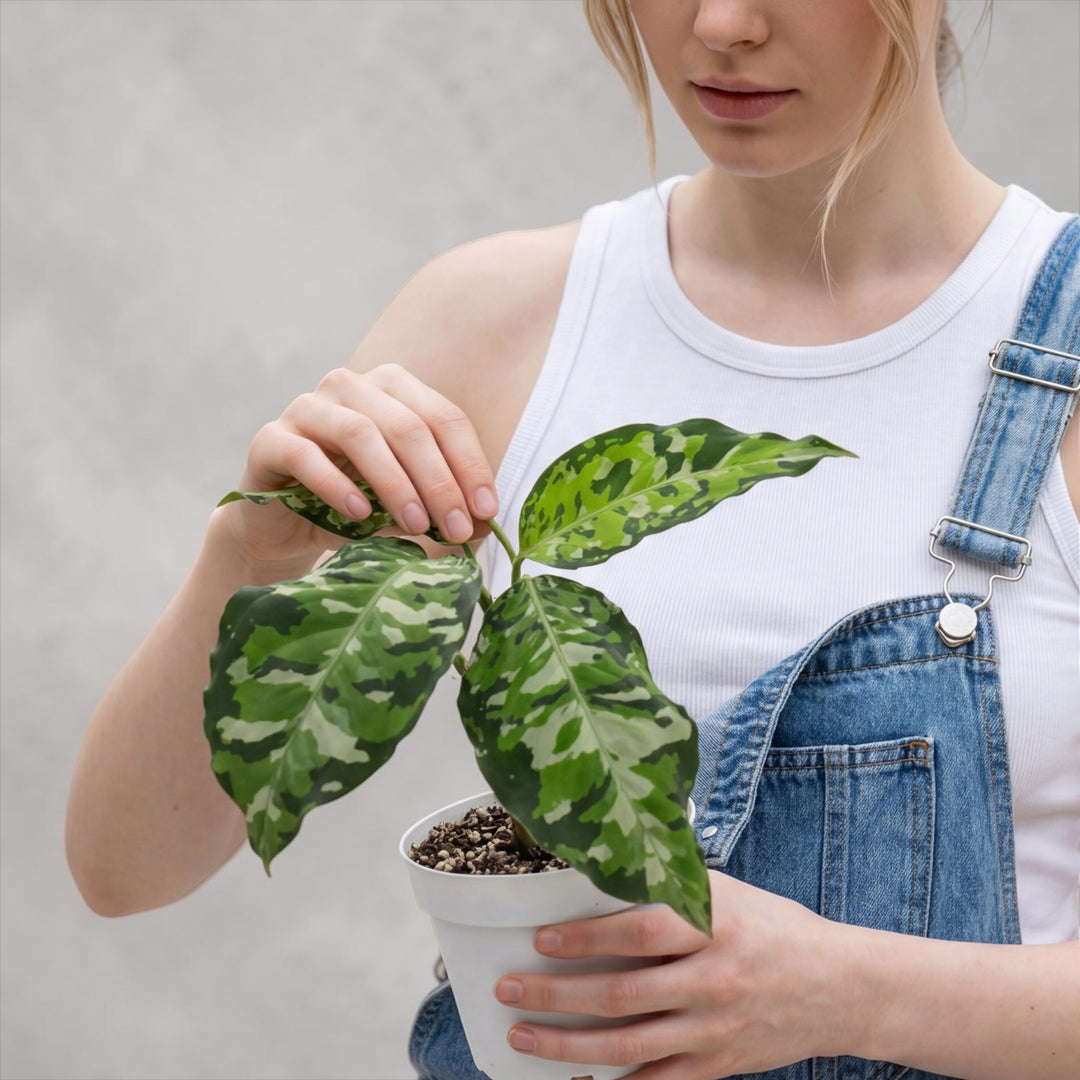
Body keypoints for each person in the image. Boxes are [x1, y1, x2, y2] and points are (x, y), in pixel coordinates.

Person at [66, 1, 1078, 1078]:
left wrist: (850, 995)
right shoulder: (497, 321)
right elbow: (126, 869)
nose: (723, 25)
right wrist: (249, 565)